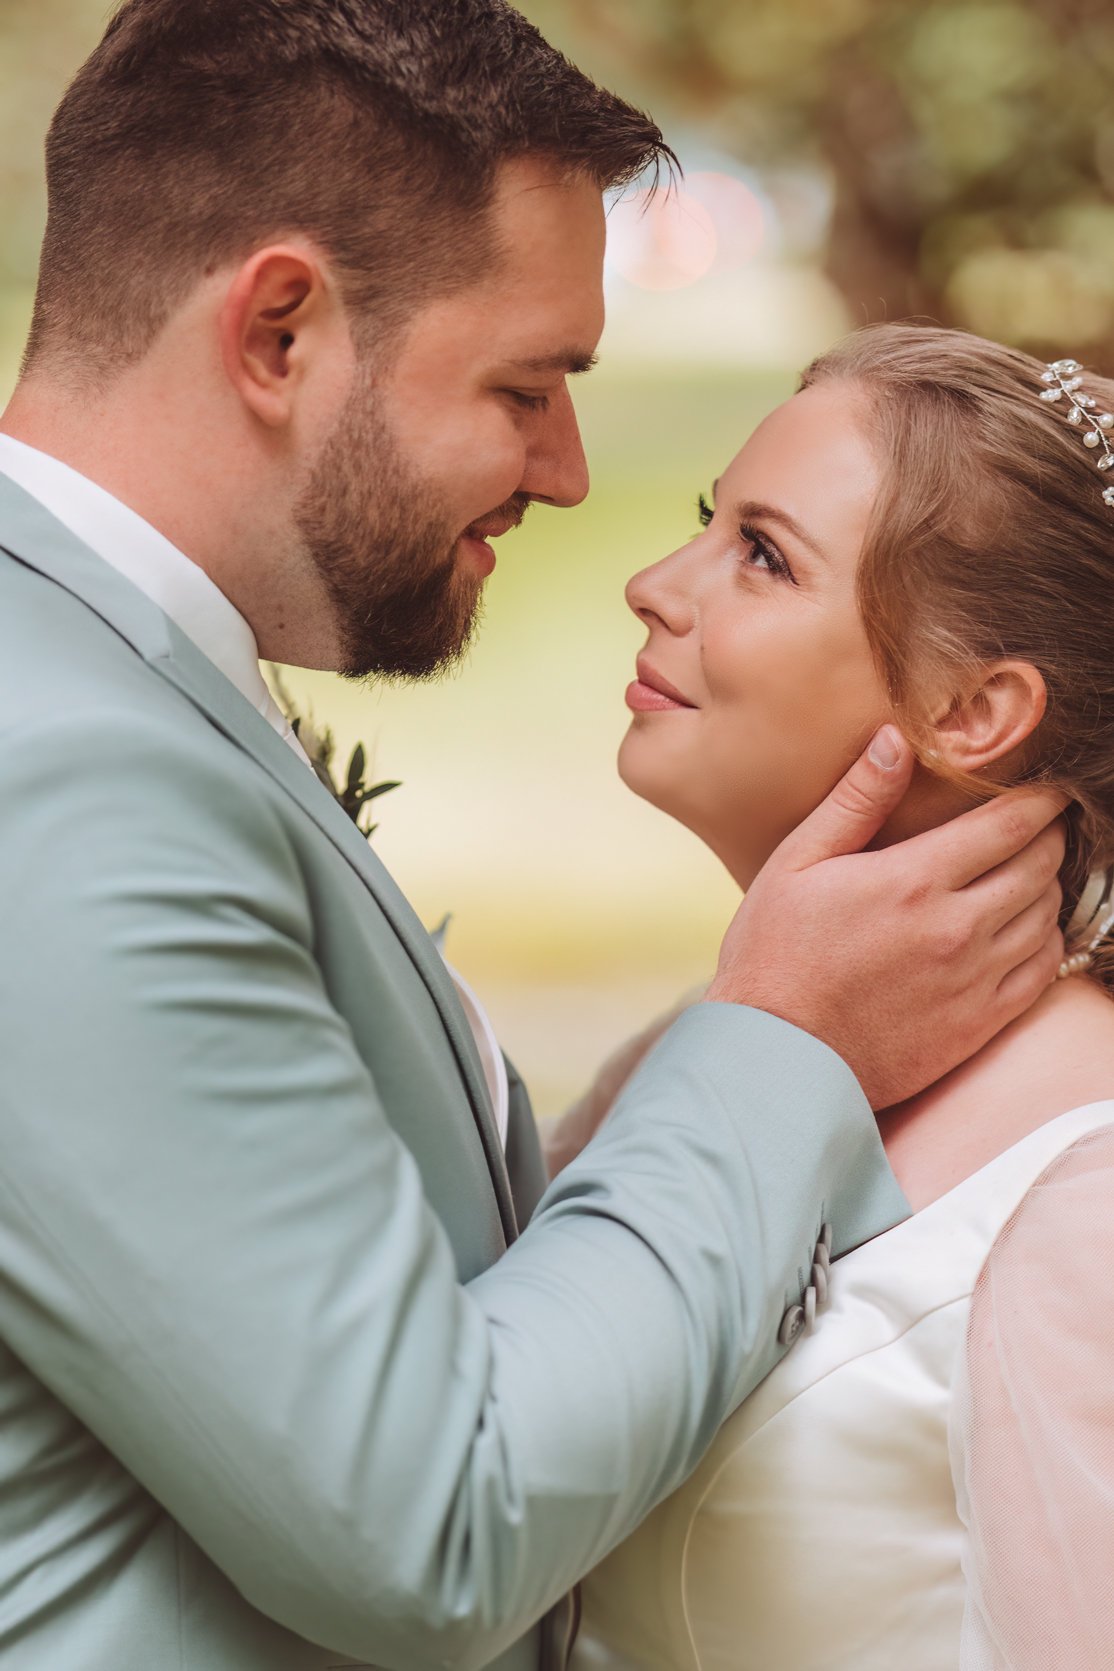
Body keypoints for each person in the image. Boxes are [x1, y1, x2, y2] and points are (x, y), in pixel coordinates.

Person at [0, 2, 1065, 1665]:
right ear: (278, 330)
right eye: (526, 384)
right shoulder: (63, 773)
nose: (572, 480)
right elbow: (426, 1524)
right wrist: (772, 1040)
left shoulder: (88, 683)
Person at [569, 324, 1114, 1671]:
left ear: (974, 709)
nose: (651, 584)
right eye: (709, 523)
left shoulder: (1085, 1210)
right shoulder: (692, 1061)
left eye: (762, 554)